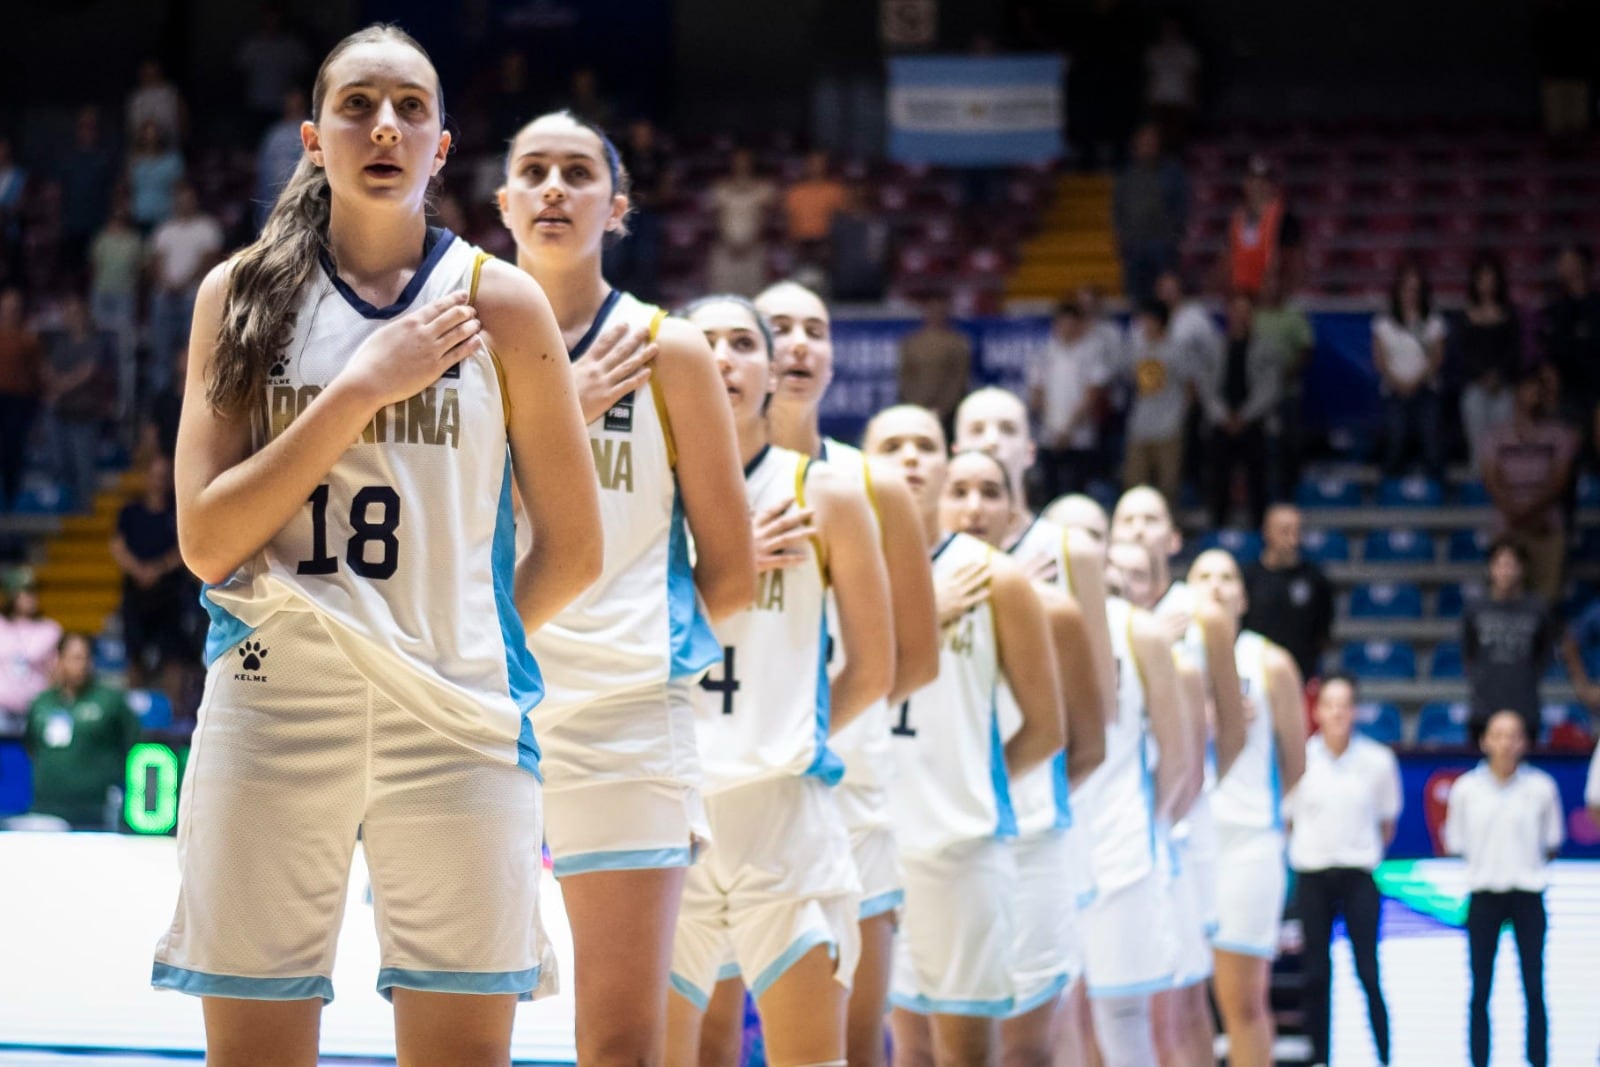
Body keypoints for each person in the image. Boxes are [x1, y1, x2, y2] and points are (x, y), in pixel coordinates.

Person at [152, 27, 602, 1064]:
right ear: (313, 138)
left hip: (456, 717)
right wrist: (362, 385)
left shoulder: (500, 300)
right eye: (357, 105)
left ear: (442, 146)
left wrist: (442, 635)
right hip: (273, 702)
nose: (385, 125)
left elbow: (574, 548)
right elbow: (207, 539)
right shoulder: (239, 293)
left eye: (411, 106)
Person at [497, 110, 754, 1065]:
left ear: (619, 204)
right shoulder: (452, 333)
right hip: (483, 706)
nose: (555, 187)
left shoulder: (669, 348)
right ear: (503, 202)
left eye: (577, 171)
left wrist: (653, 656)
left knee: (618, 1039)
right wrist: (563, 403)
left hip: (624, 720)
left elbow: (727, 571)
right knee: (462, 1021)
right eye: (535, 170)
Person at [667, 294, 893, 1066]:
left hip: (784, 812)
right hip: (671, 802)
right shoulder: (645, 495)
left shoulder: (822, 494)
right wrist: (715, 569)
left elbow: (877, 662)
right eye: (705, 343)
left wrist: (803, 734)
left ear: (772, 374)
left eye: (742, 343)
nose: (724, 357)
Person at [755, 279, 940, 1067]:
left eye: (816, 329)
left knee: (854, 1044)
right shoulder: (698, 470)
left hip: (849, 792)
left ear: (833, 359)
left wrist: (805, 727)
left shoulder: (876, 486)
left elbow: (916, 657)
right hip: (723, 779)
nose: (799, 342)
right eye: (780, 327)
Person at [863, 404, 1063, 1067]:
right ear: (863, 460)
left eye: (926, 444)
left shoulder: (997, 576)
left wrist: (976, 776)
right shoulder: (836, 559)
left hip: (960, 847)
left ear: (947, 465)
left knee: (966, 1052)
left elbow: (1048, 727)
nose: (912, 456)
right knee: (879, 1044)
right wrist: (921, 613)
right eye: (893, 444)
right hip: (859, 836)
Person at [939, 436, 1110, 1067]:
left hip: (1030, 846)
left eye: (991, 493)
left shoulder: (1056, 613)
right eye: (959, 492)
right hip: (929, 848)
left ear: (1017, 515)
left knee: (1025, 1051)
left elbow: (1088, 744)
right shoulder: (903, 605)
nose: (974, 507)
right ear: (932, 503)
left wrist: (994, 789)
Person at [1189, 548, 1307, 1067]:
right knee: (1181, 1000)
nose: (1215, 585)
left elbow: (1296, 764)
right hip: (1181, 841)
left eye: (1227, 576)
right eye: (1203, 576)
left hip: (1246, 842)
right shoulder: (1166, 652)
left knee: (1242, 1000)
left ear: (1243, 594)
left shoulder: (1271, 661)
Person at [1286, 673, 1399, 1067]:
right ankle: (1321, 1057)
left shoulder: (1378, 761)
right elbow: (1287, 821)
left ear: (1354, 710)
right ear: (1317, 711)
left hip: (1358, 877)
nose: (1337, 712)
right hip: (1313, 876)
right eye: (1329, 704)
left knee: (1369, 972)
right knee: (1316, 975)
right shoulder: (1298, 760)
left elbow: (1388, 822)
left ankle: (1385, 1057)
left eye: (1344, 704)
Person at [1444, 710, 1564, 1067]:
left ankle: (1538, 1061)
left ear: (1524, 742)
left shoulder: (1542, 787)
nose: (1506, 743)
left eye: (1514, 735)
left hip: (1528, 895)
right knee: (1480, 990)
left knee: (1534, 988)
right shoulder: (1465, 789)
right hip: (1483, 895)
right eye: (1498, 734)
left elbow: (1552, 843)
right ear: (1484, 740)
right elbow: (1456, 842)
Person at [23, 631, 141, 829]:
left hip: (97, 812)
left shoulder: (111, 701)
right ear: (60, 660)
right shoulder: (41, 703)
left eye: (86, 658)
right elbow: (30, 746)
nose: (81, 665)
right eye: (75, 658)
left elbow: (134, 744)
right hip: (46, 809)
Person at [1481, 364, 1578, 601]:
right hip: (1508, 525)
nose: (1534, 396)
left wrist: (1530, 513)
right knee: (1504, 597)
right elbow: (1492, 480)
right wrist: (1515, 514)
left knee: (1546, 598)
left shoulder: (1561, 435)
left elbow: (1559, 482)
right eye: (1529, 389)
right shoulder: (1496, 436)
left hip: (1546, 525)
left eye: (1539, 390)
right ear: (1517, 393)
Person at [111, 454, 193, 704]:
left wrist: (158, 569)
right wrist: (139, 571)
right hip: (136, 595)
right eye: (154, 475)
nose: (158, 481)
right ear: (146, 477)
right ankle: (136, 713)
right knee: (134, 655)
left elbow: (185, 547)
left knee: (174, 657)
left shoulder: (177, 512)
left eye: (163, 476)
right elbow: (117, 545)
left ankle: (174, 717)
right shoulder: (130, 511)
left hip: (169, 595)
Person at [1196, 291, 1278, 529]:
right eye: (1236, 310)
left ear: (1252, 315)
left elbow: (1269, 387)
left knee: (1258, 482)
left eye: (1245, 311)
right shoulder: (1214, 347)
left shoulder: (1265, 348)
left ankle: (1260, 531)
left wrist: (1244, 416)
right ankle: (1218, 528)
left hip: (1253, 424)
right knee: (1218, 480)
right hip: (1221, 424)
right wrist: (1223, 416)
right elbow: (1206, 386)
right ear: (1228, 314)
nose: (1240, 316)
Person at [1463, 539, 1557, 746]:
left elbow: (1544, 656)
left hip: (1525, 709)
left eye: (1511, 564)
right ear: (1491, 568)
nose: (1505, 571)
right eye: (1500, 564)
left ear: (1522, 569)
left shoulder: (1538, 609)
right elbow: (1469, 654)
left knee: (1524, 775)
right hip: (1483, 709)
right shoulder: (1475, 609)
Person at [1027, 300, 1112, 501]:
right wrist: (1052, 428)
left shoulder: (1091, 353)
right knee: (1051, 492)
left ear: (1080, 325)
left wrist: (1068, 429)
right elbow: (1037, 394)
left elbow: (1092, 395)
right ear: (1055, 325)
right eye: (1062, 323)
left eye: (1071, 324)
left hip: (1079, 436)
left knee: (1077, 494)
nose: (1066, 328)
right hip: (1050, 435)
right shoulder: (1044, 353)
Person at [147, 182, 224, 399]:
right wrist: (168, 283)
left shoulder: (206, 227)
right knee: (159, 301)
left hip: (193, 291)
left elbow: (208, 261)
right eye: (180, 198)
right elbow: (156, 262)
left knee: (192, 347)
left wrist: (182, 284)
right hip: (168, 291)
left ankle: (193, 392)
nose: (184, 202)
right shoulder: (165, 229)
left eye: (188, 197)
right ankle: (161, 395)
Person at [1242, 503, 1335, 683]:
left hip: (1302, 677)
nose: (1293, 539)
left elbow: (1324, 634)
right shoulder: (1248, 578)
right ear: (1266, 532)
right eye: (1285, 531)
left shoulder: (1315, 579)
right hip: (1255, 676)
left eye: (1297, 531)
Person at [1372, 258, 1447, 480]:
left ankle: (1437, 487)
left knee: (1431, 438)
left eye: (1416, 289)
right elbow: (1379, 360)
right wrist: (1400, 383)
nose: (1410, 294)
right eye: (1406, 288)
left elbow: (1437, 358)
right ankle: (1390, 488)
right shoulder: (1383, 322)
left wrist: (1416, 382)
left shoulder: (1434, 322)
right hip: (1394, 389)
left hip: (1426, 388)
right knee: (1396, 437)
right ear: (1398, 290)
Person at [1253, 268, 1315, 501]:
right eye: (1267, 283)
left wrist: (1287, 373)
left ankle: (1290, 492)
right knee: (1263, 449)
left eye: (1276, 283)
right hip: (1258, 398)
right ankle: (1265, 494)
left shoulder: (1293, 315)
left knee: (1289, 444)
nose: (1272, 288)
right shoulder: (1255, 316)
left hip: (1287, 393)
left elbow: (1307, 349)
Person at [1121, 301, 1191, 505]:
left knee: (1168, 486)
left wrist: (1181, 416)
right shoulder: (1136, 350)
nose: (1144, 325)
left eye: (1148, 320)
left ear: (1160, 322)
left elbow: (1190, 386)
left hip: (1169, 426)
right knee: (1133, 483)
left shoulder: (1176, 350)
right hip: (1140, 426)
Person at [1460, 253, 1522, 472]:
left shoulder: (1509, 315)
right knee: (1475, 417)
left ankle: (1504, 475)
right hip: (1475, 385)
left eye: (1491, 279)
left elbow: (1514, 351)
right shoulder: (1466, 316)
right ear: (1475, 282)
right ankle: (1478, 476)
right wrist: (1482, 377)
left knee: (1504, 433)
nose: (1487, 284)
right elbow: (1462, 354)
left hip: (1503, 384)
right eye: (1482, 279)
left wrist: (1498, 376)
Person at [1113, 125, 1188, 305]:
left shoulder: (1172, 172)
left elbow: (1181, 207)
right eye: (1144, 142)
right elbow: (1118, 208)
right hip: (1134, 245)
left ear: (1159, 145)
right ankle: (1142, 328)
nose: (1148, 146)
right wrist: (1120, 235)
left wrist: (1173, 235)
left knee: (1165, 294)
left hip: (1163, 244)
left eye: (1151, 142)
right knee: (1136, 296)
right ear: (1136, 145)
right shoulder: (1127, 176)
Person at [1539, 242, 1600, 446]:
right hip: (1567, 389)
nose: (1565, 267)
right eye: (1562, 262)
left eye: (1571, 261)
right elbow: (1551, 353)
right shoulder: (1556, 309)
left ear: (1585, 264)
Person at [89, 197, 144, 419]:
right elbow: (94, 268)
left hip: (125, 296)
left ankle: (123, 404)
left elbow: (140, 273)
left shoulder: (134, 241)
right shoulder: (101, 238)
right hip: (101, 295)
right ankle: (97, 399)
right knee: (99, 351)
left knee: (123, 353)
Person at [1221, 155, 1302, 298]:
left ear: (1271, 185)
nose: (1257, 186)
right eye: (1253, 180)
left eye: (1263, 180)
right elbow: (1228, 257)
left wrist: (1282, 290)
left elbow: (1293, 261)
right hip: (1241, 299)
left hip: (1270, 299)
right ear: (1245, 184)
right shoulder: (1236, 218)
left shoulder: (1284, 218)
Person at [896, 295, 972, 438]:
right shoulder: (912, 342)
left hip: (948, 411)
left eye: (940, 311)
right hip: (916, 407)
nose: (936, 315)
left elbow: (958, 379)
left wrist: (944, 408)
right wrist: (915, 405)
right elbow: (905, 376)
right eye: (932, 311)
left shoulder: (957, 343)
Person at [706, 148, 777, 296]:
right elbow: (715, 217)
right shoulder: (720, 187)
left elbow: (768, 217)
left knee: (753, 294)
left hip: (753, 247)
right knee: (723, 294)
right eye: (738, 161)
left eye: (745, 161)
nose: (742, 164)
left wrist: (752, 241)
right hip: (726, 247)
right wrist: (727, 241)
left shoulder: (764, 187)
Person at [0, 568, 63, 731]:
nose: (32, 597)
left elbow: (56, 673)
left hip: (36, 709)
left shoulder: (49, 629)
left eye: (34, 591)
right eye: (27, 591)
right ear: (12, 594)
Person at [235, 6, 312, 136]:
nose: (272, 22)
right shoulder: (253, 45)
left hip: (283, 106)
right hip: (257, 103)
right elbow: (240, 72)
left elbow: (305, 72)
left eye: (276, 18)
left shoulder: (291, 46)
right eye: (269, 18)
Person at [0, 286, 43, 509]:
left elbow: (37, 372)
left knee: (12, 450)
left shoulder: (28, 338)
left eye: (15, 307)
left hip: (18, 401)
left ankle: (11, 497)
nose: (10, 311)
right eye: (7, 307)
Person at [1143, 16, 1201, 148]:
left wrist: (1192, 99)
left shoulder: (1186, 51)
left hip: (1179, 100)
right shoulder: (1154, 51)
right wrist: (1148, 98)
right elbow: (1151, 76)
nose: (1169, 31)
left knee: (1177, 137)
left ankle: (1176, 164)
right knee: (1157, 136)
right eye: (1166, 28)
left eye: (1172, 27)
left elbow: (1191, 77)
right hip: (1158, 100)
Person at [257, 89, 310, 230]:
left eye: (297, 104)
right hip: (273, 208)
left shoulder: (312, 133)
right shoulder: (273, 135)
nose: (293, 108)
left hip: (304, 207)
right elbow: (263, 176)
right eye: (290, 104)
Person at [784, 150, 848, 267]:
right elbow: (790, 220)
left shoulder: (836, 190)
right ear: (807, 166)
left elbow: (843, 220)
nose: (816, 167)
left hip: (825, 245)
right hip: (800, 245)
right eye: (813, 163)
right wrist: (793, 244)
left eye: (820, 163)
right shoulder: (795, 191)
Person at [126, 119, 185, 232]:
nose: (151, 138)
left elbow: (179, 189)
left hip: (165, 215)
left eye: (154, 133)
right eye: (147, 134)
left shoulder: (172, 160)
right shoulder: (133, 160)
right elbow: (128, 188)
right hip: (138, 216)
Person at [125, 58, 185, 146]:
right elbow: (130, 125)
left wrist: (182, 139)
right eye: (147, 73)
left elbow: (183, 118)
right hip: (143, 146)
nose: (150, 76)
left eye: (153, 72)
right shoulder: (135, 97)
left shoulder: (171, 92)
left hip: (170, 144)